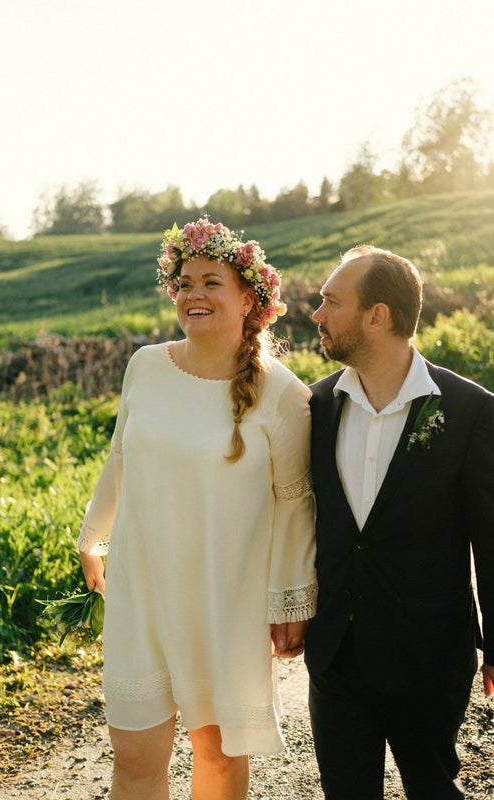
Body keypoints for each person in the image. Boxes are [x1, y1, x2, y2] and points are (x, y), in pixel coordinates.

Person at [77, 217, 317, 800]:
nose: (194, 295)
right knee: (133, 757)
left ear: (249, 299)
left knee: (215, 757)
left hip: (223, 601)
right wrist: (94, 536)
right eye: (184, 282)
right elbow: (121, 457)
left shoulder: (282, 393)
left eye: (212, 281)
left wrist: (290, 599)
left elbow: (294, 507)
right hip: (144, 592)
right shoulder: (146, 365)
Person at [304, 244, 494, 800]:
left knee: (434, 789)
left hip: (429, 655)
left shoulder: (470, 411)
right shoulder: (313, 407)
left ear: (377, 315)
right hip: (336, 654)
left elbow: (492, 538)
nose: (317, 314)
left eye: (330, 302)